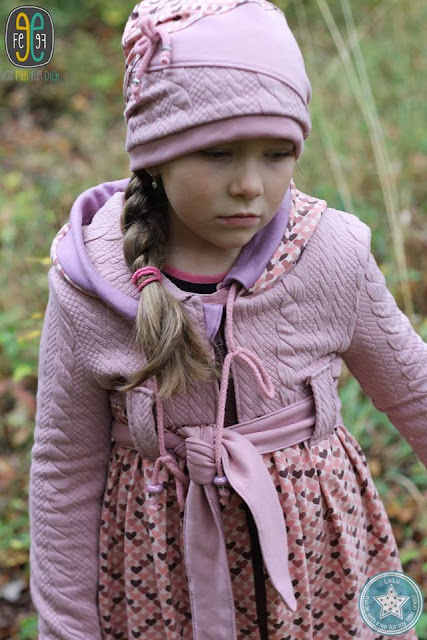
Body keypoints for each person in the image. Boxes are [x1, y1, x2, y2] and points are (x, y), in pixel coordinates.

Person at [29, 0, 427, 638]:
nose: (250, 185)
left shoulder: (330, 255)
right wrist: (67, 629)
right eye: (218, 153)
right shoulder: (89, 284)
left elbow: (414, 389)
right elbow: (63, 471)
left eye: (276, 153)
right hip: (160, 578)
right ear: (155, 154)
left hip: (317, 562)